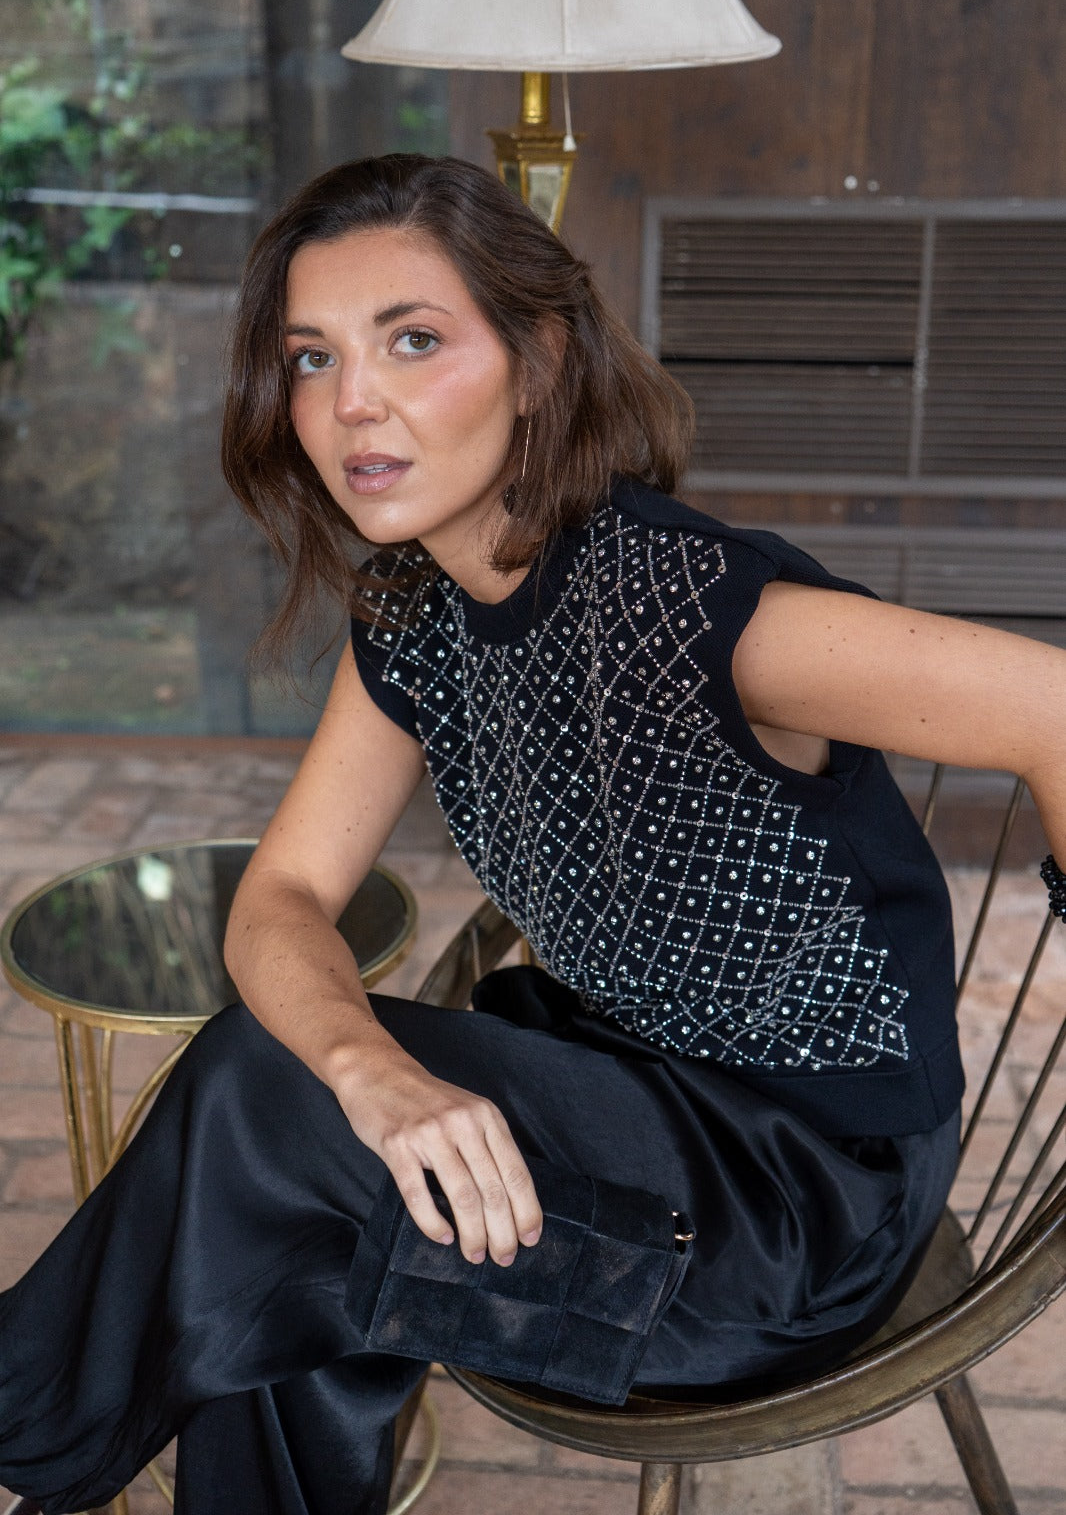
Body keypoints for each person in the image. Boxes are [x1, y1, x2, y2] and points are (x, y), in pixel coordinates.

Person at [2, 152, 1065, 1515]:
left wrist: (343, 1076)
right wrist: (371, 1072)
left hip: (794, 1207)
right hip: (624, 1095)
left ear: (540, 363)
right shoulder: (412, 616)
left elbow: (1054, 711)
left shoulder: (693, 612)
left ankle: (25, 1431)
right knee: (299, 1185)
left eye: (413, 340)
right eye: (313, 357)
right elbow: (281, 898)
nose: (352, 402)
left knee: (270, 1120)